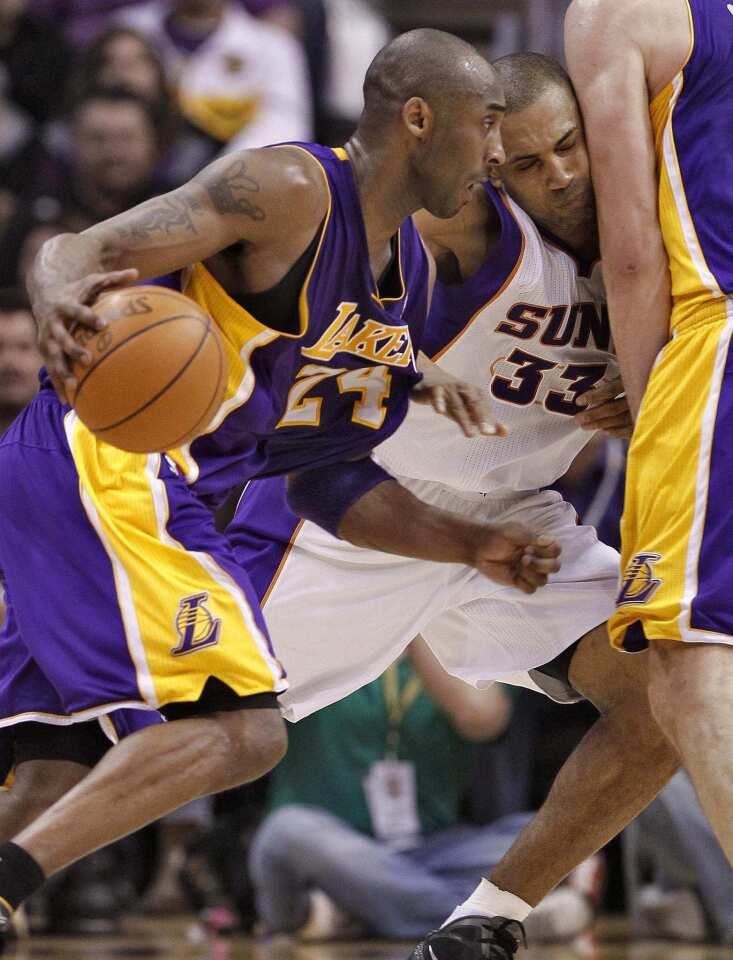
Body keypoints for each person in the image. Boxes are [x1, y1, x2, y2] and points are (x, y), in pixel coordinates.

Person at [0, 29, 560, 939]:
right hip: (109, 455)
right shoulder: (287, 189)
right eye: (487, 122)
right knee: (248, 731)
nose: (496, 152)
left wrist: (470, 543)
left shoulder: (405, 282)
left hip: (124, 480)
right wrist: (56, 294)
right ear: (419, 119)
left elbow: (328, 481)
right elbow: (81, 245)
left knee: (56, 754)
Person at [230, 53, 680, 958]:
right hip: (374, 513)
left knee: (667, 697)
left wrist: (655, 393)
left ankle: (486, 924)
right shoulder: (474, 229)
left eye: (566, 148)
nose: (554, 177)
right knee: (152, 716)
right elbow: (356, 189)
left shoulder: (664, 242)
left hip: (517, 525)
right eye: (519, 163)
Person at [565, 0, 733, 867]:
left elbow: (632, 253)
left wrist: (648, 400)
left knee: (685, 656)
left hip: (720, 336)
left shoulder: (617, 12)